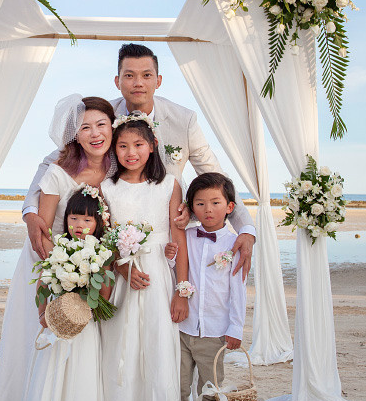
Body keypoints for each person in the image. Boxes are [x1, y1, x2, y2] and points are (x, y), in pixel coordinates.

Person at [22, 43, 256, 281]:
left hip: (165, 245)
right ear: (117, 81)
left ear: (158, 80)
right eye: (129, 76)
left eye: (146, 75)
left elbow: (216, 177)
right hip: (115, 242)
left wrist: (246, 228)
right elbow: (53, 163)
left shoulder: (183, 120)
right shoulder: (103, 116)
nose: (138, 83)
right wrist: (31, 211)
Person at [0, 95, 114, 401]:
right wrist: (62, 275)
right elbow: (43, 229)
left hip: (97, 269)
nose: (94, 134)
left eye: (101, 125)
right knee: (51, 344)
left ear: (112, 126)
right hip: (57, 266)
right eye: (85, 128)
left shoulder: (118, 166)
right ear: (74, 135)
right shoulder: (59, 168)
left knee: (92, 351)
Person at [90, 113, 189, 401]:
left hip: (159, 274)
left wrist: (182, 291)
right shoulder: (107, 188)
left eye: (138, 145)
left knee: (154, 350)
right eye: (122, 146)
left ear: (153, 146)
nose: (130, 152)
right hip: (123, 276)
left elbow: (180, 238)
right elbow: (103, 242)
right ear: (113, 150)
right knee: (119, 352)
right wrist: (122, 268)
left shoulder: (169, 186)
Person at [155, 172, 247, 401]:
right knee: (178, 385)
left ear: (230, 207)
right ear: (191, 207)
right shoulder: (187, 236)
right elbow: (175, 269)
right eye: (200, 203)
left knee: (211, 388)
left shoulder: (234, 244)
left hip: (215, 331)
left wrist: (236, 328)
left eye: (216, 203)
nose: (208, 210)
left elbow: (239, 291)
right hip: (183, 327)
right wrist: (170, 255)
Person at [19, 188, 112, 401]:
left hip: (84, 327)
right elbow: (43, 280)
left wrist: (90, 310)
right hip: (58, 322)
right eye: (73, 219)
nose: (79, 226)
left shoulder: (101, 252)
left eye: (87, 220)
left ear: (98, 223)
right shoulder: (59, 247)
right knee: (54, 377)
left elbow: (105, 286)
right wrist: (42, 313)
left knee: (78, 378)